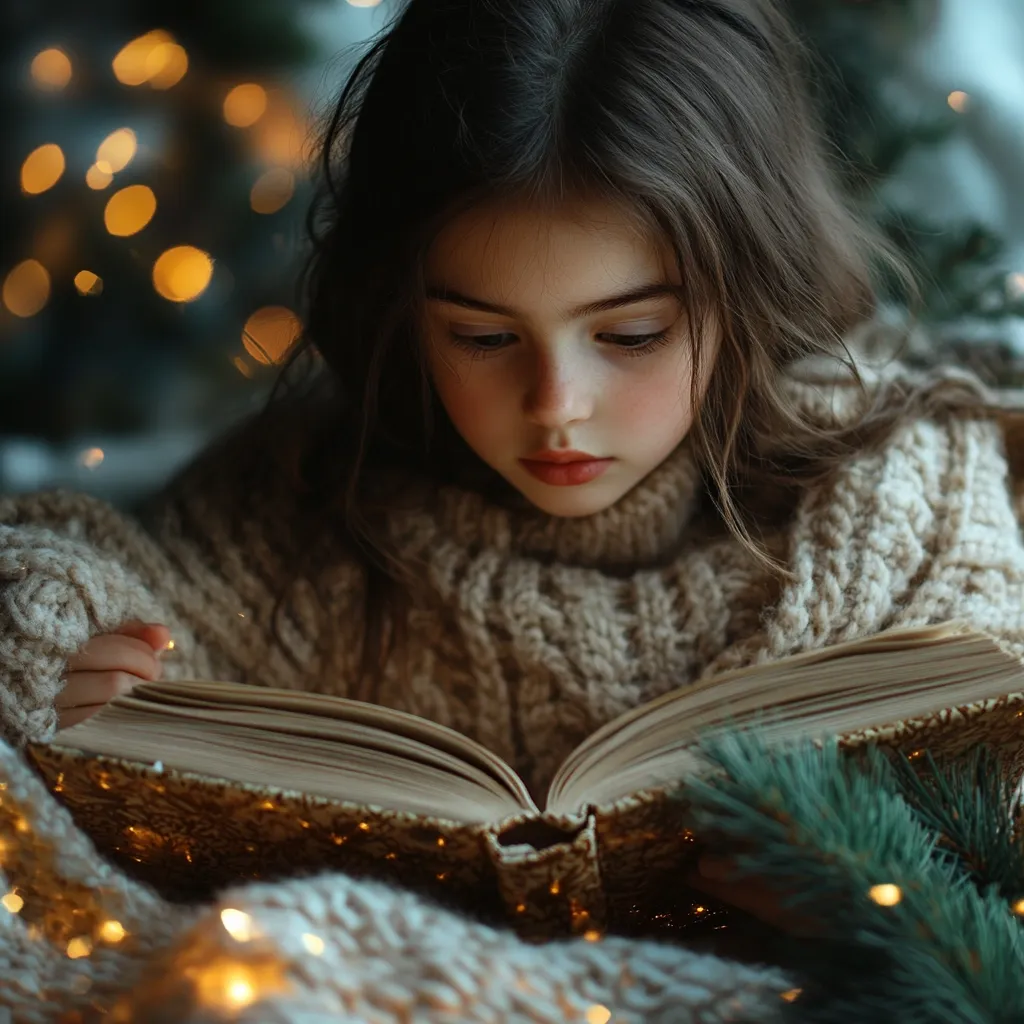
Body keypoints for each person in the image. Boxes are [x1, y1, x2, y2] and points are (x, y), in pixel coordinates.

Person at [3, 0, 1024, 1012]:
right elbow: (85, 559)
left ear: (751, 284)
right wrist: (56, 627)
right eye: (483, 339)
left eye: (629, 335)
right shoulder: (309, 505)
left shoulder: (905, 494)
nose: (554, 410)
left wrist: (876, 886)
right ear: (404, 308)